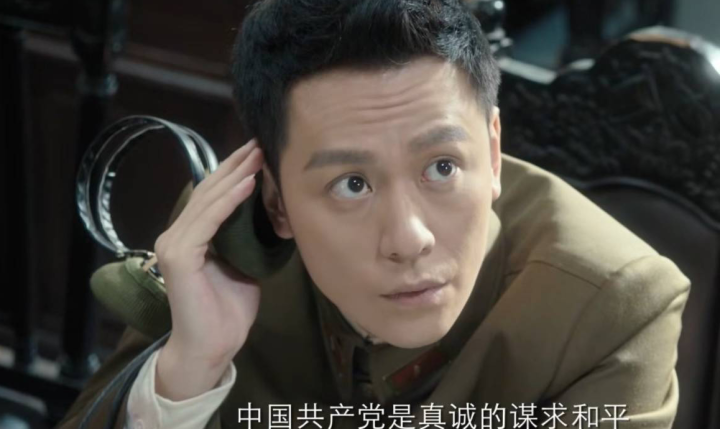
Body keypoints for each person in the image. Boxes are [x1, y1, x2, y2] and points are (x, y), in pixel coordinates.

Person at [57, 0, 690, 428]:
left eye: (442, 167)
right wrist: (189, 369)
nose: (409, 239)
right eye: (352, 184)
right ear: (275, 199)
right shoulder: (217, 244)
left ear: (493, 153)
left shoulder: (616, 307)